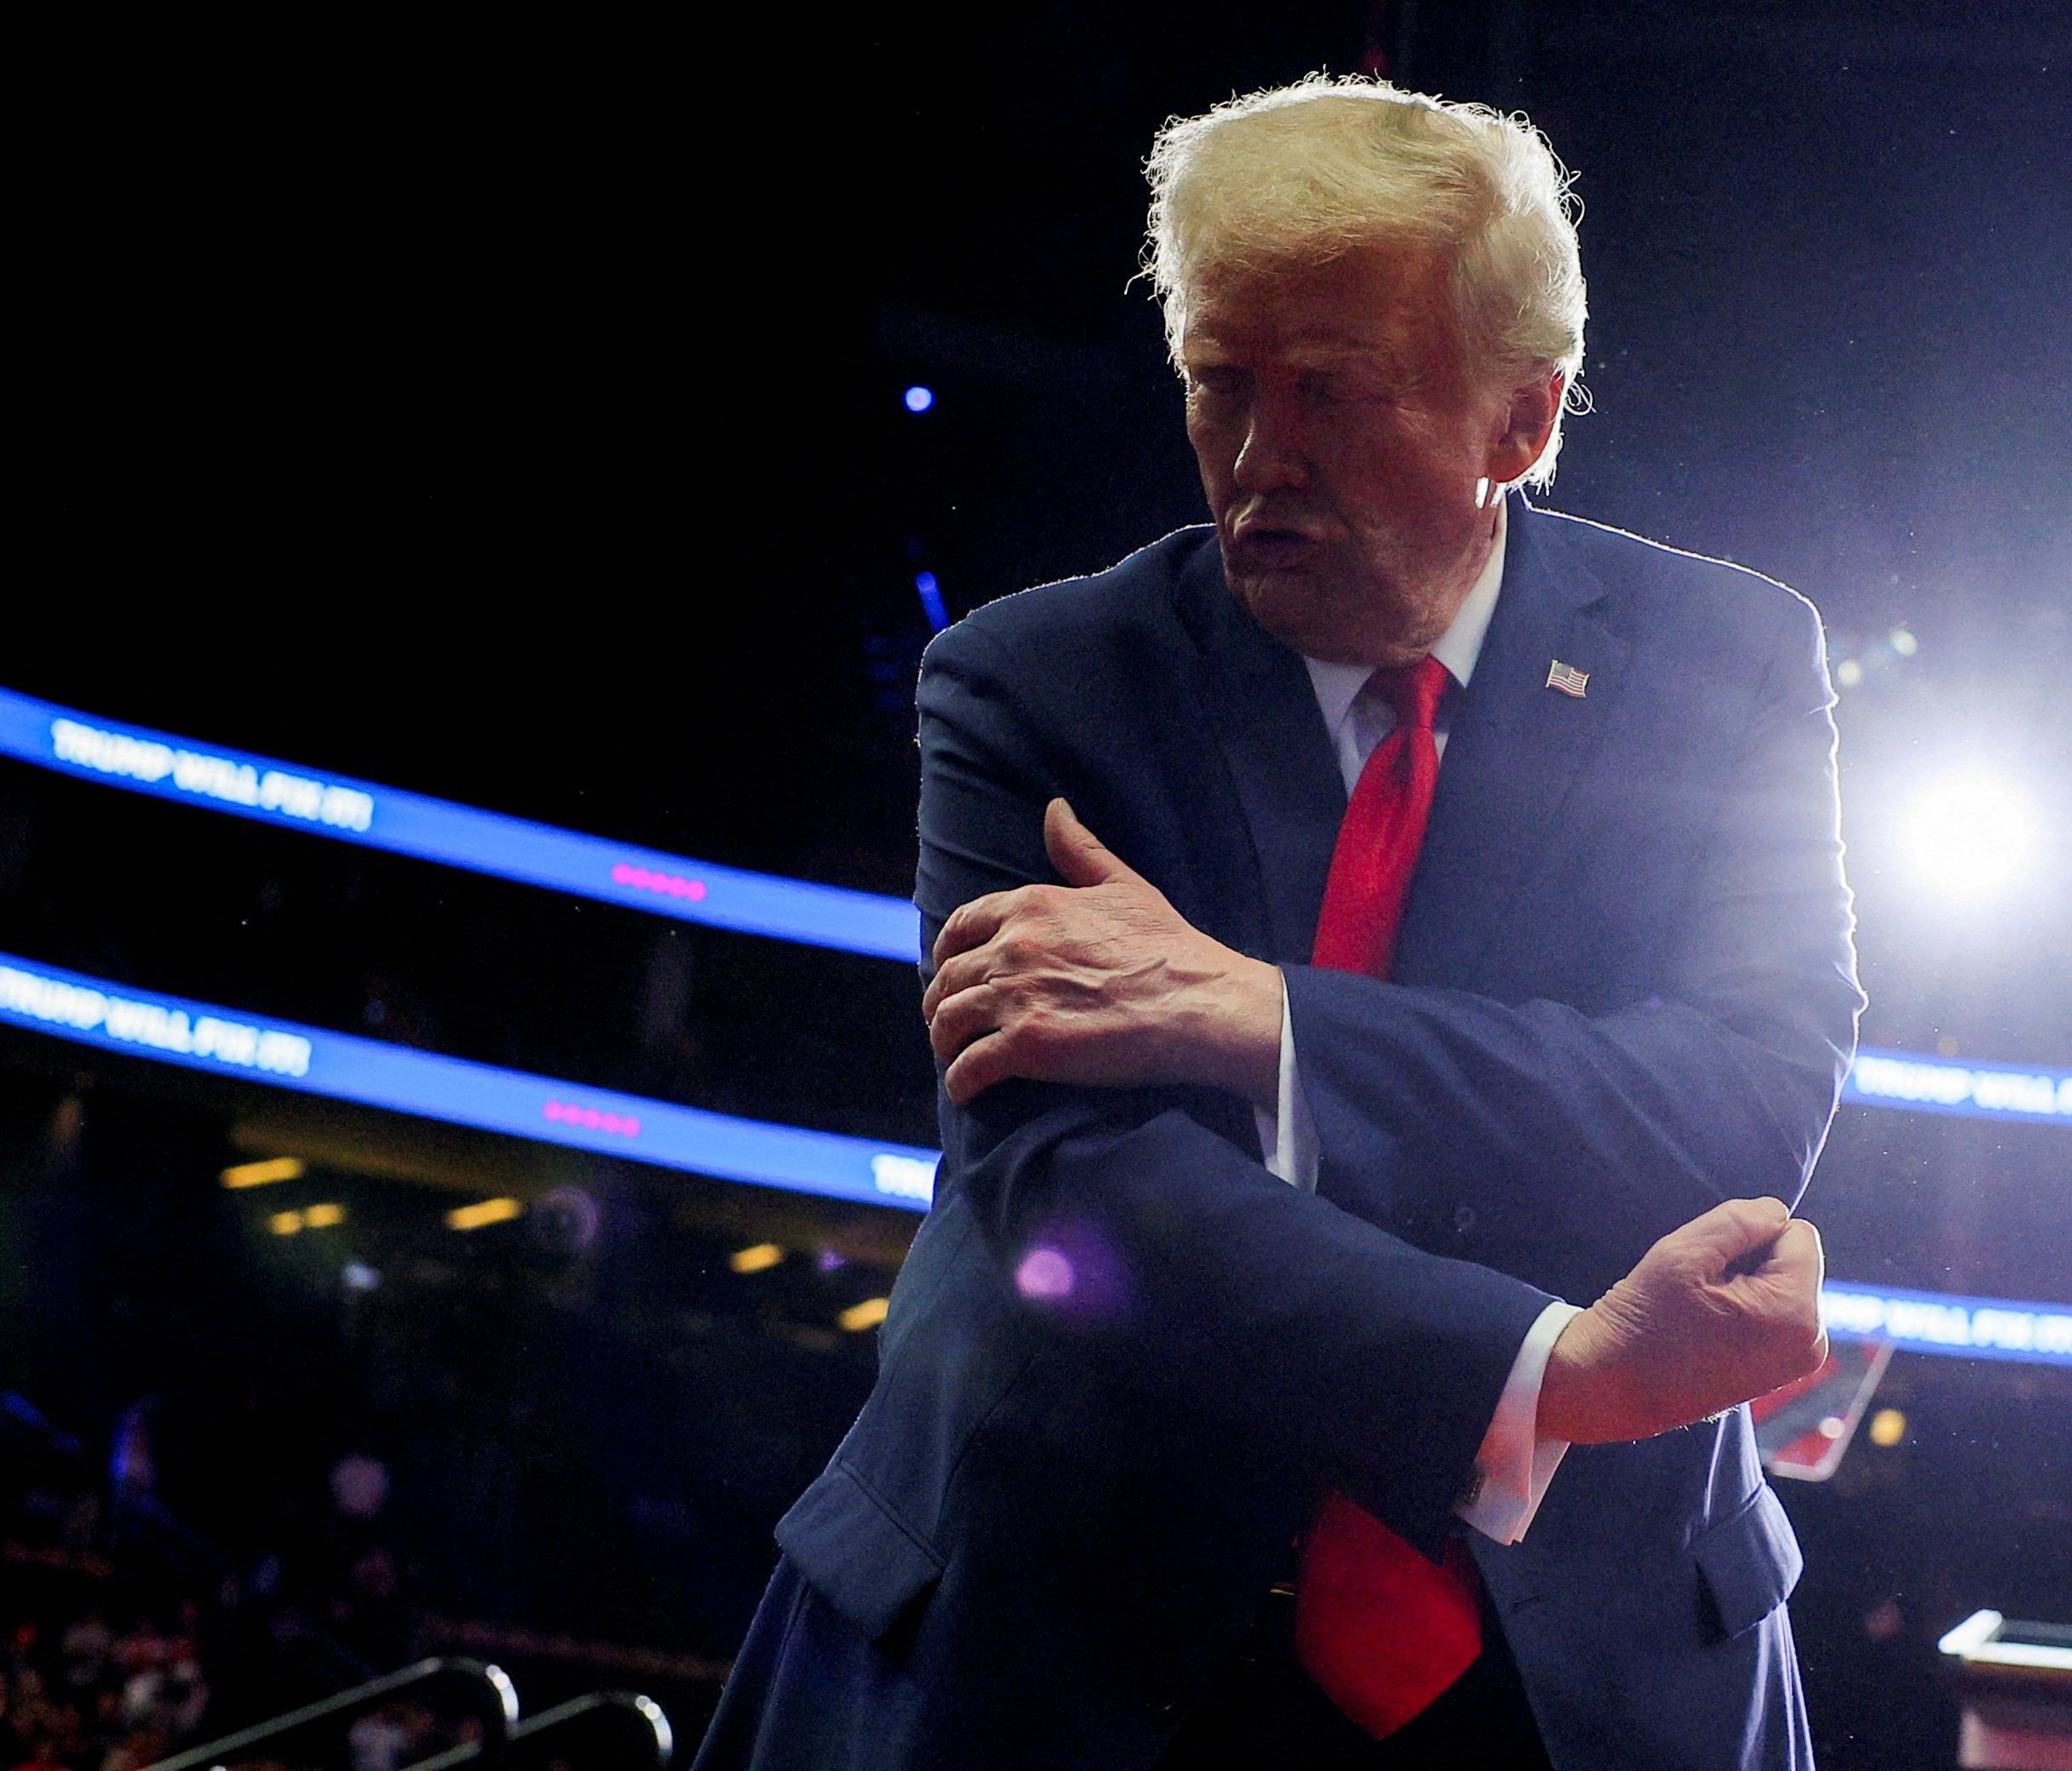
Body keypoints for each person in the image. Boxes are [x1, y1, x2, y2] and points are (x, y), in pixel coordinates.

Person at [698, 75, 1863, 1771]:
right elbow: (1077, 1191)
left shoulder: (1729, 664)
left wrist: (1260, 1017)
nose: (1258, 461)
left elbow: (1735, 1107)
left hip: (1574, 1667)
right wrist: (1551, 1369)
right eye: (1217, 387)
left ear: (1516, 423)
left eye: (1329, 397)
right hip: (1069, 1635)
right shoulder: (1036, 682)